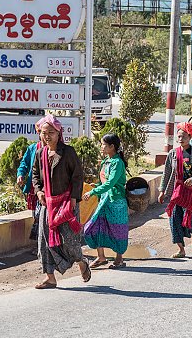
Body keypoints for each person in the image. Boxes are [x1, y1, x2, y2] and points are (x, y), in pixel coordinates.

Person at [31, 115, 91, 289]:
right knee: (45, 242)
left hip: (66, 203)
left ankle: (81, 261)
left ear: (59, 133)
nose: (47, 136)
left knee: (70, 241)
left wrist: (73, 199)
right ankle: (50, 277)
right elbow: (35, 176)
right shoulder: (40, 153)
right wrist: (39, 191)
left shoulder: (68, 152)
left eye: (51, 132)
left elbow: (78, 176)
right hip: (47, 205)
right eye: (44, 133)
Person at [158, 122, 192, 258]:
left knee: (188, 219)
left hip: (191, 191)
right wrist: (162, 191)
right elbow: (167, 172)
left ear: (190, 136)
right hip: (177, 190)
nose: (181, 139)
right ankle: (181, 249)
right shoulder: (173, 154)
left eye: (184, 136)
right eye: (179, 136)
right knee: (174, 218)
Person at [82, 134, 129, 269]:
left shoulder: (117, 163)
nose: (101, 147)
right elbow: (104, 183)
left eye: (103, 144)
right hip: (104, 200)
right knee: (94, 226)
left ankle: (119, 259)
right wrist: (95, 187)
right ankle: (101, 257)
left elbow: (110, 183)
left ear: (111, 147)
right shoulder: (105, 162)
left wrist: (92, 192)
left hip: (116, 202)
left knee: (118, 229)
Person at [17, 121, 46, 246]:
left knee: (45, 216)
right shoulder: (33, 148)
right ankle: (40, 244)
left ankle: (45, 244)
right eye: (42, 133)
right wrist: (20, 175)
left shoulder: (58, 150)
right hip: (35, 188)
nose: (45, 136)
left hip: (50, 190)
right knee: (37, 215)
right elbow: (24, 164)